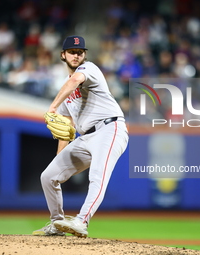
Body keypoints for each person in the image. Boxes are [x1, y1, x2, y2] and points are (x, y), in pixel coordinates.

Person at [32, 35, 129, 237]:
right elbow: (66, 128)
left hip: (110, 129)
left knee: (97, 176)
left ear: (84, 55)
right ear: (63, 55)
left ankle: (81, 221)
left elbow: (76, 79)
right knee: (48, 176)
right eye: (72, 52)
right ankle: (57, 223)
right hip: (85, 138)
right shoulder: (67, 88)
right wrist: (60, 160)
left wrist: (53, 106)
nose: (76, 55)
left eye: (80, 52)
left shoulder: (88, 69)